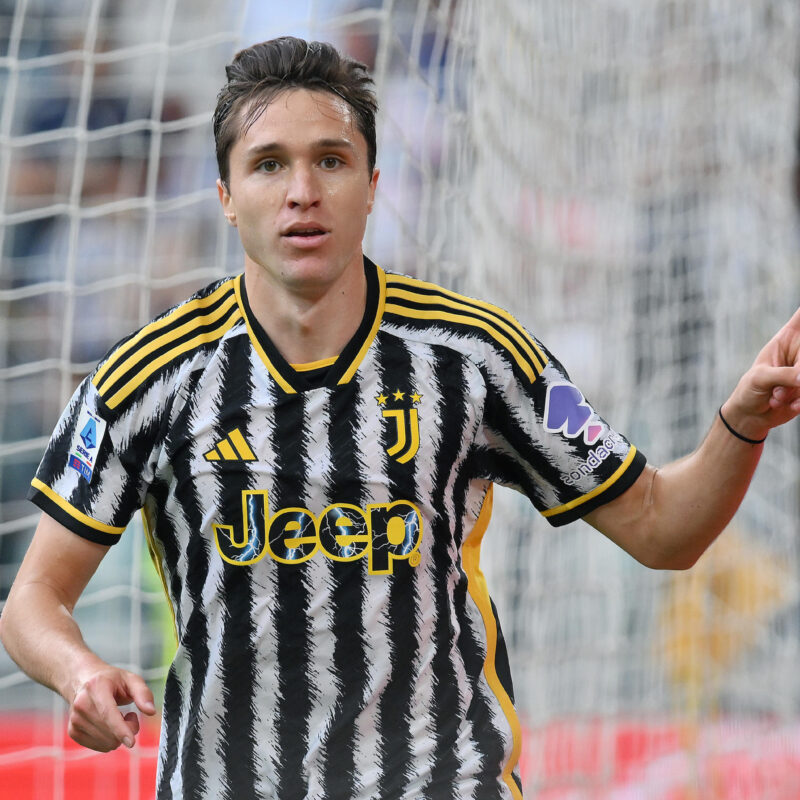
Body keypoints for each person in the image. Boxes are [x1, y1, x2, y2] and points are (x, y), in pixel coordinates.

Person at [1, 36, 799, 800]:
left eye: (331, 161)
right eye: (268, 164)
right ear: (226, 198)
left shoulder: (474, 355)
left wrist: (742, 423)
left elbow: (663, 529)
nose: (302, 191)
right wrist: (79, 673)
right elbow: (33, 598)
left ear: (374, 185)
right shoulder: (150, 374)